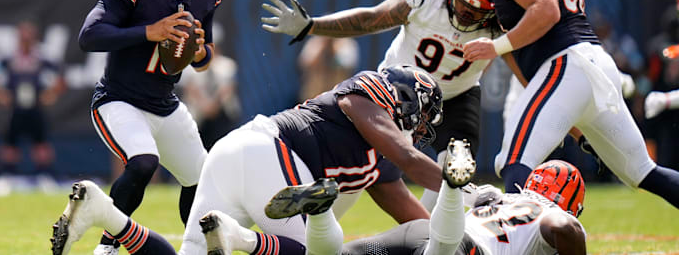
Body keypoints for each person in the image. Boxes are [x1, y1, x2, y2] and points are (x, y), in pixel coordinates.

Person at [50, 64, 464, 255]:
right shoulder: (366, 97)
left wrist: (464, 237)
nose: (421, 127)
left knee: (191, 253)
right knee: (316, 253)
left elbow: (417, 226)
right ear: (406, 100)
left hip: (237, 152)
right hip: (272, 151)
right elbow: (410, 158)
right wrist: (459, 182)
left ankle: (107, 214)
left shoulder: (381, 158)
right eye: (423, 115)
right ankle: (243, 240)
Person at [462, 0, 679, 208]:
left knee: (514, 160)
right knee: (643, 172)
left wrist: (495, 46)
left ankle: (515, 240)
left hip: (567, 64)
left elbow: (547, 10)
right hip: (592, 66)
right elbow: (530, 73)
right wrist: (579, 132)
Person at [261, 0, 501, 210]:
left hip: (457, 95)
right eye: (462, 4)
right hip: (399, 90)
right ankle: (325, 206)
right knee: (365, 164)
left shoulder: (502, 20)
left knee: (457, 167)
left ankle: (430, 235)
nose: (465, 15)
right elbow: (373, 18)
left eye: (475, 12)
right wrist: (312, 26)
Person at [77, 0, 222, 255]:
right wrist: (149, 32)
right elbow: (90, 36)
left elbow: (204, 59)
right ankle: (107, 249)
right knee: (143, 162)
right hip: (120, 98)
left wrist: (199, 52)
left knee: (203, 181)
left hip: (165, 103)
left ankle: (194, 248)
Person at [203, 149, 587, 255]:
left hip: (424, 231)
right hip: (459, 248)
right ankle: (450, 187)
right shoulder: (555, 216)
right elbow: (562, 227)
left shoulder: (499, 197)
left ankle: (241, 238)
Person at [0, 20, 65, 192]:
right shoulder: (10, 58)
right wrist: (0, 94)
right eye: (23, 38)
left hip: (35, 106)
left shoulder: (41, 57)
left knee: (41, 142)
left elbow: (60, 76)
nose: (26, 42)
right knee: (10, 143)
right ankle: (7, 176)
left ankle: (45, 176)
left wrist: (51, 94)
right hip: (15, 107)